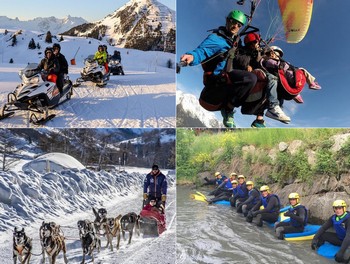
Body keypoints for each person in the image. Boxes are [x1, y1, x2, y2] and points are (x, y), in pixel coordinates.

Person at [180, 10, 257, 128]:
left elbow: (240, 57)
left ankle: (257, 115)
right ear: (227, 20)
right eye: (233, 22)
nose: (235, 26)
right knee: (250, 78)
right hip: (219, 78)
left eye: (239, 25)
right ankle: (228, 109)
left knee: (256, 78)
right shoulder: (216, 38)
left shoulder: (235, 42)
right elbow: (202, 50)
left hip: (230, 74)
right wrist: (192, 56)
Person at [235, 32, 290, 124]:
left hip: (264, 79)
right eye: (251, 43)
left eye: (255, 42)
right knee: (272, 79)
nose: (254, 45)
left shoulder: (262, 52)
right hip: (254, 75)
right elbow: (244, 60)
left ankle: (262, 118)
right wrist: (248, 65)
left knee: (279, 86)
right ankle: (273, 108)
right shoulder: (246, 52)